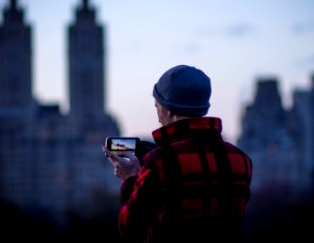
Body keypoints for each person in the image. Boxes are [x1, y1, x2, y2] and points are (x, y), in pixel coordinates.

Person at [102, 64, 253, 243]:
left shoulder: (160, 161)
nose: (157, 114)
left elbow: (131, 228)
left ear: (168, 109)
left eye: (156, 105)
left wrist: (131, 178)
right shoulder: (241, 160)